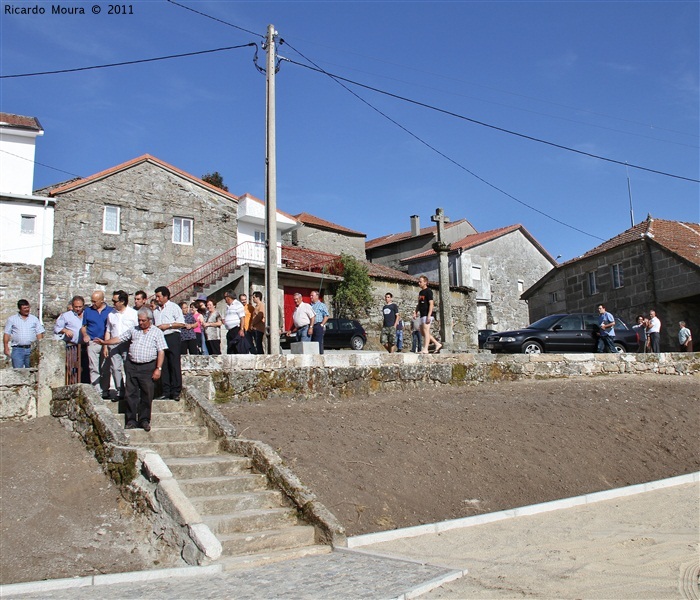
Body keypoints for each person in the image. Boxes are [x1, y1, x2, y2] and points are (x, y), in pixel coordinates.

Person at [94, 308, 166, 432]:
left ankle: (144, 420)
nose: (141, 323)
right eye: (139, 320)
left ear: (149, 320)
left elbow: (161, 351)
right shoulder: (134, 330)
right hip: (132, 365)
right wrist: (105, 342)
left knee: (146, 394)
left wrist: (158, 368)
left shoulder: (157, 332)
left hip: (148, 366)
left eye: (143, 320)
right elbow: (119, 338)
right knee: (130, 394)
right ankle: (131, 420)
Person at [104, 290, 138, 400]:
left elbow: (138, 330)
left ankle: (130, 391)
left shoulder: (133, 314)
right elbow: (108, 330)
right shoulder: (111, 315)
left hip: (128, 344)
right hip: (113, 344)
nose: (113, 303)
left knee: (128, 368)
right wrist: (105, 345)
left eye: (115, 301)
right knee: (115, 368)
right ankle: (120, 391)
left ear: (122, 301)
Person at [153, 286, 186, 401]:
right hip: (161, 337)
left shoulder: (174, 307)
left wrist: (168, 325)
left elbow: (181, 323)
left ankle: (176, 391)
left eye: (159, 296)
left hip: (172, 336)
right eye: (156, 296)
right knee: (164, 365)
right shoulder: (156, 311)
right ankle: (166, 391)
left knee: (174, 363)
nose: (157, 299)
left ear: (166, 296)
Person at [81, 290, 115, 398]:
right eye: (92, 301)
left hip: (106, 342)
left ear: (102, 300)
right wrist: (85, 335)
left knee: (105, 367)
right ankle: (96, 391)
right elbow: (83, 326)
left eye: (95, 301)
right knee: (93, 367)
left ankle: (105, 390)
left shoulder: (110, 311)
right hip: (93, 342)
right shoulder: (88, 311)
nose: (93, 303)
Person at [3, 299, 45, 368]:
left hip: (31, 349)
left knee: (32, 370)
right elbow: (7, 333)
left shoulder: (34, 319)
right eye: (24, 308)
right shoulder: (12, 319)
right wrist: (6, 347)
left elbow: (39, 333)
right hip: (17, 350)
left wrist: (40, 347)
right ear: (20, 309)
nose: (27, 310)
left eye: (28, 307)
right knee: (17, 371)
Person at [415, 275, 441, 354]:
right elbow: (419, 304)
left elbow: (431, 303)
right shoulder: (420, 292)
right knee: (423, 332)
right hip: (422, 314)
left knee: (426, 331)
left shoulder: (428, 291)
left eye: (420, 281)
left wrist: (429, 315)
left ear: (425, 282)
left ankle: (425, 349)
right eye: (419, 281)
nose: (419, 283)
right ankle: (437, 344)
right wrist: (415, 312)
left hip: (427, 314)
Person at [223, 290, 246, 354]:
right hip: (230, 330)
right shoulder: (228, 306)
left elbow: (242, 317)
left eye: (225, 297)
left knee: (238, 349)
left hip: (236, 329)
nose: (224, 299)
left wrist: (241, 329)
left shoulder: (237, 305)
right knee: (230, 349)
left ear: (228, 297)